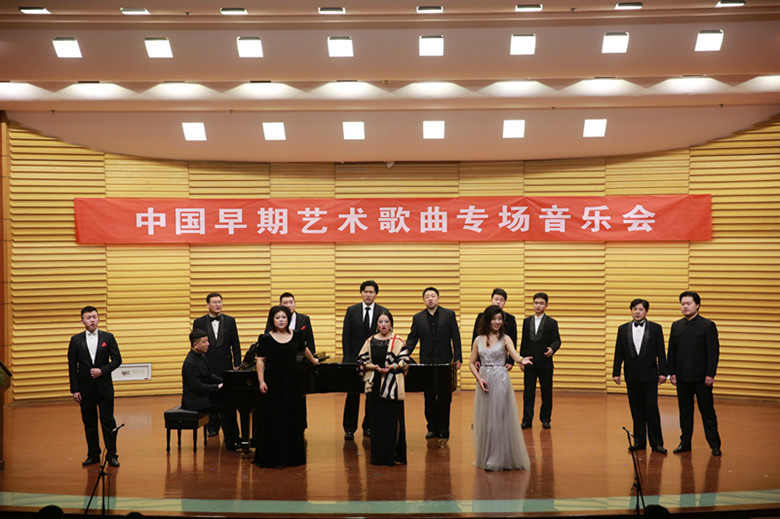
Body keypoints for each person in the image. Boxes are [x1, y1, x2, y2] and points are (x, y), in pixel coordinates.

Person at [253, 305, 319, 468]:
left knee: (292, 418)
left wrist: (314, 361)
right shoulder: (266, 338)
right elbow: (260, 360)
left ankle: (292, 458)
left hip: (292, 382)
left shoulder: (296, 335)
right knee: (274, 419)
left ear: (288, 319)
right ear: (272, 320)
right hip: (272, 383)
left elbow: (304, 349)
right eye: (277, 318)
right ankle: (273, 458)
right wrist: (261, 381)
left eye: (284, 317)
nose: (281, 320)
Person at [469, 305, 532, 471]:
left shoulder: (505, 338)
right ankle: (487, 455)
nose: (497, 322)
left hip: (500, 380)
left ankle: (498, 457)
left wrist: (522, 360)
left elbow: (515, 355)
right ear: (487, 320)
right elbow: (471, 363)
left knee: (499, 418)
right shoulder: (478, 340)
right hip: (484, 381)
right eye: (494, 319)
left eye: (499, 319)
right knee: (485, 420)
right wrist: (479, 378)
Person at [667, 291, 722, 456]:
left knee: (707, 412)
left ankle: (715, 444)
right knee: (685, 412)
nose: (685, 306)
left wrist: (710, 374)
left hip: (701, 378)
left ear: (697, 305)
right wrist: (671, 372)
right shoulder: (676, 325)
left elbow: (713, 352)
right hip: (682, 377)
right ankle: (685, 443)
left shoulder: (707, 325)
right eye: (682, 304)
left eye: (688, 303)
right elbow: (672, 351)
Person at [67, 306, 122, 467]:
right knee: (89, 423)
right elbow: (72, 367)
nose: (92, 320)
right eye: (88, 318)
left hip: (104, 388)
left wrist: (102, 370)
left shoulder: (108, 337)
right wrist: (75, 389)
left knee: (108, 422)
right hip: (85, 389)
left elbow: (117, 360)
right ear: (82, 321)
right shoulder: (75, 340)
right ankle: (93, 454)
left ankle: (112, 454)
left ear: (98, 318)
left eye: (94, 317)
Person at [612, 298, 668, 454]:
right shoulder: (622, 329)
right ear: (631, 311)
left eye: (640, 309)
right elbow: (618, 352)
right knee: (636, 409)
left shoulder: (656, 328)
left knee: (652, 408)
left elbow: (661, 352)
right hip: (631, 375)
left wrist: (663, 372)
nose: (637, 312)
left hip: (650, 375)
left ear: (646, 311)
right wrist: (616, 372)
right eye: (634, 309)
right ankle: (639, 441)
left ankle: (657, 443)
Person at [406, 286, 462, 441]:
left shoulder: (449, 315)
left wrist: (458, 358)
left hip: (445, 362)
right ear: (424, 300)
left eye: (433, 296)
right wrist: (402, 354)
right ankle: (432, 428)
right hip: (427, 363)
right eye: (427, 297)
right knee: (429, 397)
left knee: (445, 397)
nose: (430, 299)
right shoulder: (418, 318)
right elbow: (412, 339)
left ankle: (444, 429)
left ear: (438, 298)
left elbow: (455, 337)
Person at [357, 309, 409, 466]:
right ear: (377, 324)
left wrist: (392, 367)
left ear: (391, 323)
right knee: (377, 423)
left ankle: (392, 456)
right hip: (374, 386)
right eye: (380, 322)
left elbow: (405, 362)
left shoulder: (398, 341)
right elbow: (361, 361)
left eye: (386, 322)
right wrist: (373, 367)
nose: (383, 325)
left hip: (392, 386)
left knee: (392, 422)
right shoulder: (370, 341)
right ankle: (378, 457)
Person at [341, 280, 388, 440]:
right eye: (365, 292)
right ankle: (349, 428)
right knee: (352, 394)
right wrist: (348, 359)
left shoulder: (382, 311)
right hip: (354, 359)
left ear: (376, 294)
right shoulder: (351, 310)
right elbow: (346, 336)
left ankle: (369, 426)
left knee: (372, 394)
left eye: (371, 292)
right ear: (361, 293)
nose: (368, 295)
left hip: (375, 360)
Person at [180, 329, 240, 450]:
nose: (208, 344)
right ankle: (231, 441)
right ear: (195, 345)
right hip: (194, 401)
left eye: (207, 341)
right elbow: (196, 386)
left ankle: (234, 438)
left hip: (201, 396)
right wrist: (216, 387)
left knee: (229, 403)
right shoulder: (190, 362)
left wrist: (225, 380)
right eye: (204, 342)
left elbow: (208, 375)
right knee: (226, 405)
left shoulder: (201, 356)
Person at [192, 292, 241, 438]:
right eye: (214, 302)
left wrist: (237, 364)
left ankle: (229, 430)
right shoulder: (199, 322)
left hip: (226, 365)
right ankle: (212, 427)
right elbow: (195, 346)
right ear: (207, 304)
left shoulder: (230, 321)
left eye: (220, 302)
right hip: (208, 365)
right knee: (210, 397)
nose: (218, 305)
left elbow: (235, 344)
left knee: (228, 398)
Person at [265, 292, 316, 429]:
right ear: (280, 305)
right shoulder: (274, 319)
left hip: (299, 366)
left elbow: (309, 343)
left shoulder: (304, 319)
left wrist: (312, 360)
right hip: (278, 365)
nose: (289, 305)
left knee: (300, 397)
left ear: (295, 303)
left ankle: (300, 425)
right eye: (285, 303)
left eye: (291, 302)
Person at [519, 292, 561, 429]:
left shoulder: (552, 322)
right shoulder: (526, 321)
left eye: (541, 303)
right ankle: (527, 419)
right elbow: (524, 341)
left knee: (546, 392)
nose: (538, 306)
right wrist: (521, 359)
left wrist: (552, 349)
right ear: (533, 304)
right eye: (536, 303)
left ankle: (546, 419)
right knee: (528, 392)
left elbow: (557, 340)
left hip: (545, 362)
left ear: (546, 305)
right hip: (530, 362)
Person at [472, 288, 518, 370]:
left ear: (504, 303)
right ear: (491, 300)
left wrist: (511, 361)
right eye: (496, 299)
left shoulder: (510, 319)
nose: (498, 302)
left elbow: (513, 340)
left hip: (501, 359)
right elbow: (475, 337)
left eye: (501, 300)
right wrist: (476, 359)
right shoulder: (481, 316)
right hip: (483, 359)